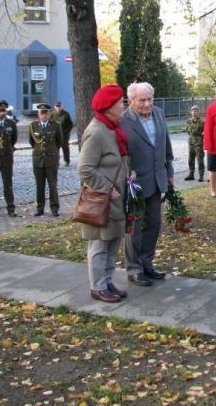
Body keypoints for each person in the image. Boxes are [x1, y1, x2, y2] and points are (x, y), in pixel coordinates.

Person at [78, 85, 129, 303]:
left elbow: (117, 159)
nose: (123, 105)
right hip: (102, 200)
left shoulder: (112, 128)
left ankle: (107, 281)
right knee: (99, 243)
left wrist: (129, 171)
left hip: (116, 200)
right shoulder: (96, 132)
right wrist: (109, 189)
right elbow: (85, 169)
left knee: (113, 240)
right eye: (120, 102)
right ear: (109, 108)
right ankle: (97, 286)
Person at [120, 82, 174, 287]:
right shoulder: (124, 120)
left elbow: (165, 144)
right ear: (131, 100)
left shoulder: (158, 114)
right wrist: (127, 171)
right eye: (142, 100)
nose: (147, 103)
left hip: (157, 178)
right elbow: (119, 150)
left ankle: (146, 262)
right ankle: (134, 269)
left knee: (154, 223)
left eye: (150, 99)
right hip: (135, 183)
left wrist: (168, 172)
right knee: (135, 227)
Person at [28, 103, 63, 216]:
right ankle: (40, 208)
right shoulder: (33, 126)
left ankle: (54, 208)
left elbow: (59, 142)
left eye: (45, 113)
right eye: (41, 113)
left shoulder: (55, 126)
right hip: (38, 160)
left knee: (52, 185)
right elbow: (32, 142)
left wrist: (52, 152)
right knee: (39, 185)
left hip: (51, 160)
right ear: (38, 114)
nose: (43, 115)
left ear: (49, 114)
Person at [184, 105, 205, 182]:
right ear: (191, 112)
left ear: (198, 112)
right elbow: (187, 130)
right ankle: (191, 174)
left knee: (200, 159)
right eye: (193, 111)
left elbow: (205, 132)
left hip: (198, 142)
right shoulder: (188, 121)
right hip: (191, 141)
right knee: (190, 159)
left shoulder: (202, 121)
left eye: (196, 110)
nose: (194, 112)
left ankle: (201, 175)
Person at [51, 101, 74, 166]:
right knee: (55, 148)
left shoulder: (66, 114)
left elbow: (70, 124)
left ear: (61, 107)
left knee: (65, 148)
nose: (58, 107)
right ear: (55, 107)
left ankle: (67, 161)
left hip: (64, 134)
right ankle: (56, 161)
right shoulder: (52, 114)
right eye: (57, 106)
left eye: (59, 106)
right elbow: (50, 123)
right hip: (55, 134)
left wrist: (66, 131)